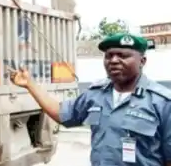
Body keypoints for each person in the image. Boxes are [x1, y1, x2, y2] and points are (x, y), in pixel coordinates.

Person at [9, 33, 171, 165]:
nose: (114, 60)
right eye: (109, 56)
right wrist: (30, 84)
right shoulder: (96, 94)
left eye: (123, 55)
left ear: (142, 61)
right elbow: (61, 113)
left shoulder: (162, 102)